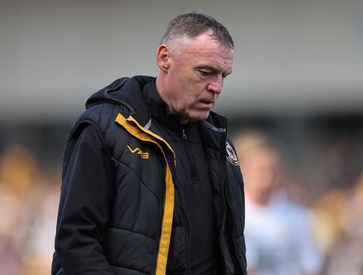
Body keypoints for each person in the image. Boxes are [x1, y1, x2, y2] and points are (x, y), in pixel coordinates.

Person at [51, 12, 247, 275]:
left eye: (224, 75)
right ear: (164, 58)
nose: (217, 87)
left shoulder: (220, 142)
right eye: (206, 72)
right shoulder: (105, 128)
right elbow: (76, 242)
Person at [234, 129, 323, 275]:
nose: (267, 178)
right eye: (261, 170)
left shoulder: (298, 215)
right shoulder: (229, 215)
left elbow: (311, 265)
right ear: (242, 169)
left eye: (273, 170)